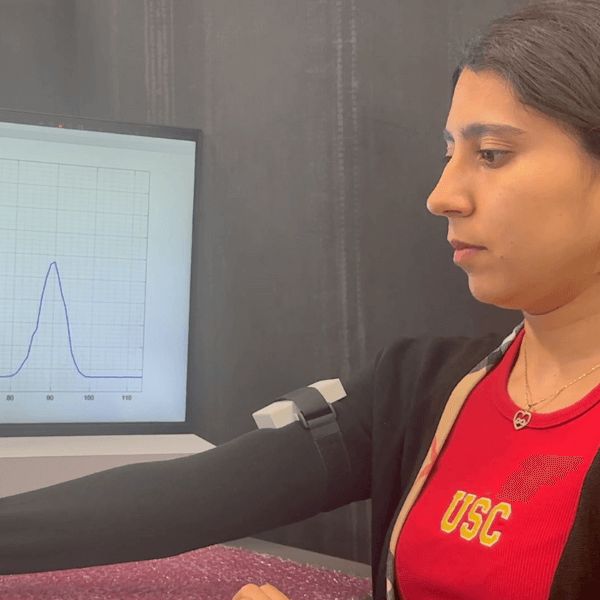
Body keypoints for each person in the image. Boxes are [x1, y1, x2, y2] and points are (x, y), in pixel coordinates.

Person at [1, 0, 600, 598]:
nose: (441, 196)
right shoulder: (423, 387)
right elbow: (188, 498)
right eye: (450, 155)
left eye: (490, 154)